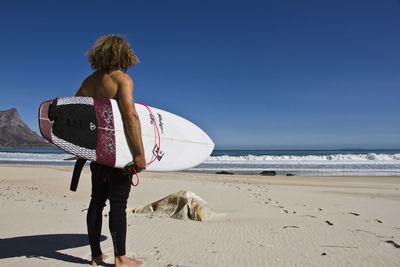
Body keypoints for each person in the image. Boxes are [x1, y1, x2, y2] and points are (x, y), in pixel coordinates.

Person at [75, 35, 145, 267]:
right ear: (123, 55)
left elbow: (76, 117)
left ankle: (96, 256)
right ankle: (120, 259)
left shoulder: (88, 82)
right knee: (118, 204)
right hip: (119, 154)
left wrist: (80, 147)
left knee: (96, 201)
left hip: (98, 153)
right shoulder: (122, 79)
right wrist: (139, 153)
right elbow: (130, 116)